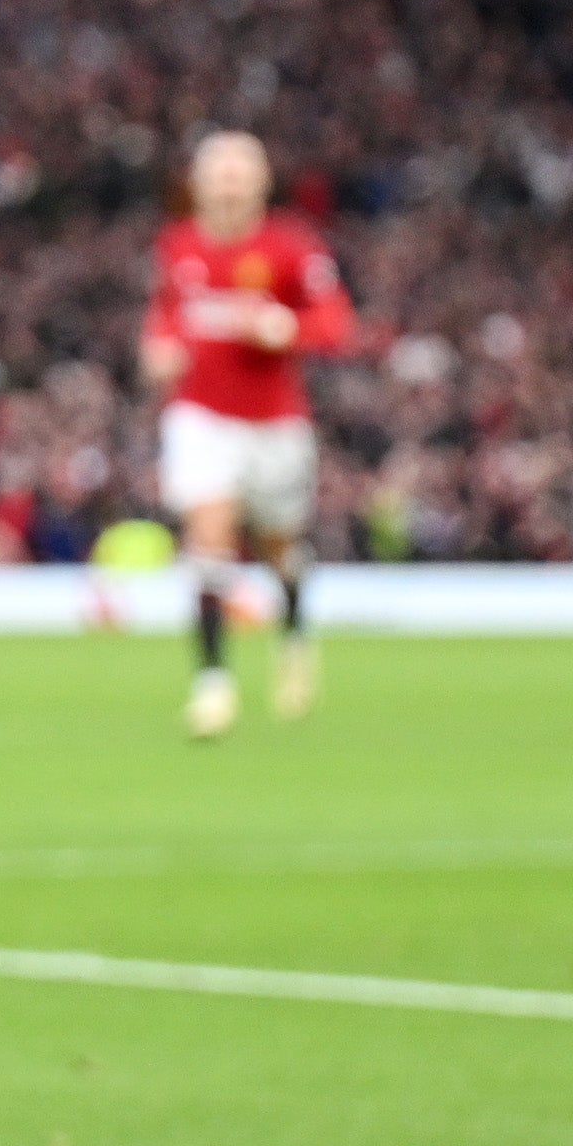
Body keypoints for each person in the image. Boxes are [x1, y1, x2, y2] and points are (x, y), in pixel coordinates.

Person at [143, 130, 351, 737]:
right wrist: (156, 350)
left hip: (276, 423)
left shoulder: (290, 247)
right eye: (219, 172)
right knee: (208, 535)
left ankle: (293, 635)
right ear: (200, 183)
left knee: (280, 547)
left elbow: (336, 322)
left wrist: (285, 327)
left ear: (261, 182)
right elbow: (164, 317)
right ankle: (213, 684)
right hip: (201, 415)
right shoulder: (177, 246)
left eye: (241, 172)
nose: (230, 183)